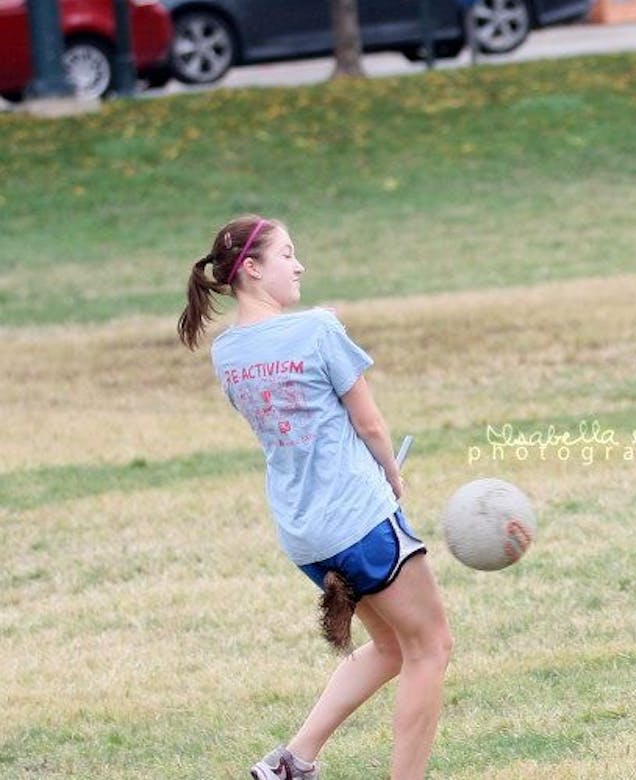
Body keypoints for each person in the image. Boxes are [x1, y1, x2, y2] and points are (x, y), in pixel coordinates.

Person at [178, 215, 453, 780]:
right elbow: (372, 425)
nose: (298, 265)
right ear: (251, 270)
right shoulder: (318, 331)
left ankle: (291, 763)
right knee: (431, 647)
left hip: (304, 535)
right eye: (287, 255)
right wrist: (391, 478)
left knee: (392, 648)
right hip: (360, 519)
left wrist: (317, 324)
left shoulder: (226, 352)